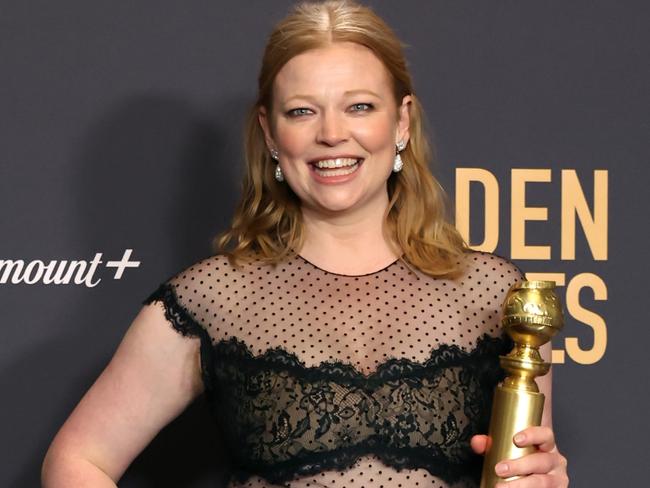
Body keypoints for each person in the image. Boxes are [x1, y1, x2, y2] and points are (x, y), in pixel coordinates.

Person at [42, 1, 568, 487]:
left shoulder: (498, 296)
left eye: (359, 106)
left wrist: (547, 477)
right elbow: (77, 460)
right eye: (302, 112)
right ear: (270, 133)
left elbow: (526, 469)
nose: (332, 134)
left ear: (402, 121)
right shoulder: (212, 299)